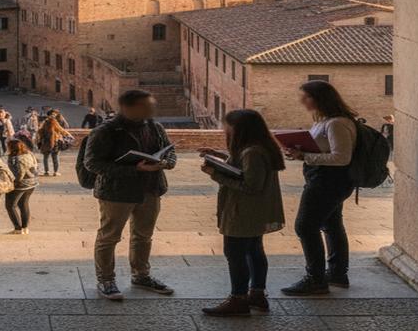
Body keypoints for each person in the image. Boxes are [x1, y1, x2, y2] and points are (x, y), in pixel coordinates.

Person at [83, 89, 176, 301]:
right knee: (109, 237)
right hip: (116, 192)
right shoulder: (106, 130)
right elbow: (92, 163)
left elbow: (169, 149)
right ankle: (106, 279)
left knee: (143, 235)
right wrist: (135, 169)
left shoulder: (155, 126)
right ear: (128, 107)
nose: (152, 109)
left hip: (151, 188)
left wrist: (168, 162)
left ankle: (141, 275)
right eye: (146, 105)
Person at [198, 109, 286, 316]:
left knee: (235, 254)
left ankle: (238, 299)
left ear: (239, 129)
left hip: (243, 212)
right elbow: (245, 170)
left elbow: (251, 186)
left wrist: (215, 174)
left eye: (227, 127)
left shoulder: (252, 152)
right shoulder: (259, 147)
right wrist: (222, 158)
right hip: (254, 212)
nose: (224, 130)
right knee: (254, 251)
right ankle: (256, 294)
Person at [280, 80, 357, 295]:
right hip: (327, 179)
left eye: (306, 96)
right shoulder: (326, 121)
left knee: (305, 226)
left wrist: (305, 155)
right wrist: (300, 152)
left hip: (328, 182)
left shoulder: (336, 124)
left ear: (319, 98)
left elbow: (341, 157)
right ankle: (337, 274)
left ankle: (315, 279)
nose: (301, 101)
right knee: (331, 224)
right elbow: (326, 151)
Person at [4, 137, 39, 234]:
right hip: (32, 182)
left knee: (10, 205)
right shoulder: (30, 154)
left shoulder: (14, 158)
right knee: (23, 204)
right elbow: (36, 167)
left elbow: (18, 174)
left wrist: (12, 184)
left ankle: (18, 228)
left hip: (21, 184)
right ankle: (25, 228)